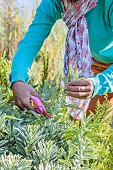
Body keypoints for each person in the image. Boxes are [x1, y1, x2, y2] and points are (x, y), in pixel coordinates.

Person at [9, 0, 113, 120]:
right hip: (93, 62)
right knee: (87, 122)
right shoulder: (55, 2)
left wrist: (99, 84)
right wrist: (18, 79)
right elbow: (31, 41)